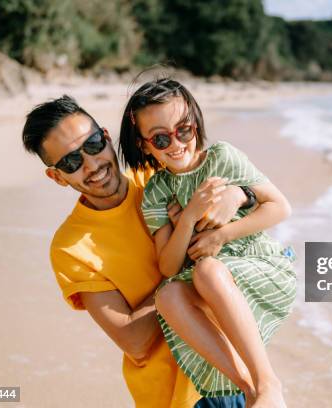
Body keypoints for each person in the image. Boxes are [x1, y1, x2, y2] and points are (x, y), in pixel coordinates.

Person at [21, 95, 251, 407]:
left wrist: (239, 194)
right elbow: (135, 341)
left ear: (105, 135)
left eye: (92, 145)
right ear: (57, 177)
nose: (92, 164)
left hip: (230, 368)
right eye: (71, 162)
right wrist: (185, 263)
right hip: (171, 397)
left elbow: (248, 202)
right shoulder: (71, 247)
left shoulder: (159, 174)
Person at [118, 79, 297, 408]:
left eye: (183, 130)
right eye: (160, 138)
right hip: (211, 283)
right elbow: (169, 267)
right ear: (144, 145)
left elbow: (280, 207)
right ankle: (250, 388)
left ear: (195, 124)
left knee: (208, 270)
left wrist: (221, 234)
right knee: (168, 293)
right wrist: (188, 218)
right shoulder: (157, 191)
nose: (175, 143)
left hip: (258, 264)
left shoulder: (223, 158)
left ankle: (269, 382)